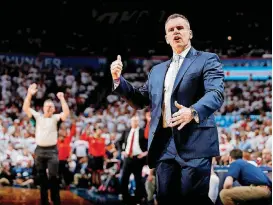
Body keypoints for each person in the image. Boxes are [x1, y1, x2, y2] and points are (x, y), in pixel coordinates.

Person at [110, 13, 224, 205]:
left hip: (195, 141)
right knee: (165, 198)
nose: (176, 32)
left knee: (192, 199)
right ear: (166, 38)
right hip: (164, 144)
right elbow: (140, 100)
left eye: (180, 28)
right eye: (171, 30)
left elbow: (216, 93)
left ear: (190, 33)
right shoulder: (157, 70)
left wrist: (193, 111)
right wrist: (118, 80)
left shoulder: (207, 59)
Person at [23, 83, 70, 205]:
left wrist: (62, 99)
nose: (49, 108)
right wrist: (29, 94)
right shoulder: (37, 117)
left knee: (54, 176)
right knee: (42, 178)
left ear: (54, 109)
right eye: (47, 106)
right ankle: (44, 201)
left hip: (52, 151)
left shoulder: (56, 118)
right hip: (39, 150)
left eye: (51, 106)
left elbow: (66, 113)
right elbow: (26, 108)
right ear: (43, 108)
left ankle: (56, 200)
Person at [119, 115, 148, 204]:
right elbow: (119, 142)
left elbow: (149, 143)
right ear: (130, 122)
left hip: (138, 158)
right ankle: (125, 196)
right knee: (124, 178)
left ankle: (138, 198)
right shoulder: (126, 131)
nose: (135, 122)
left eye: (136, 121)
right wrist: (122, 151)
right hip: (128, 158)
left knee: (138, 179)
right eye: (133, 121)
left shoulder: (143, 131)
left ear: (138, 122)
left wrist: (145, 153)